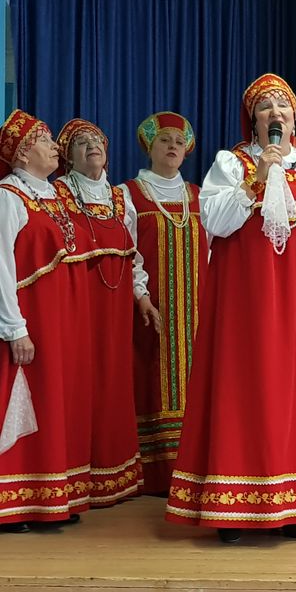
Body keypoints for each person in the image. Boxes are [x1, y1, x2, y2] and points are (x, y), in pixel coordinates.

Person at [165, 73, 296, 543]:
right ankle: (231, 507)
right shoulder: (231, 164)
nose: (275, 112)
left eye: (283, 106)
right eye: (265, 106)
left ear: (294, 119)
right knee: (244, 388)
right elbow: (215, 221)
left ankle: (293, 505)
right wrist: (257, 177)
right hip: (246, 303)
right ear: (253, 120)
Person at [0, 110, 95, 531]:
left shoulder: (54, 195)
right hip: (31, 318)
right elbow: (2, 266)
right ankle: (15, 503)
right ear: (23, 153)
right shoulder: (8, 197)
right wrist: (14, 328)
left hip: (62, 320)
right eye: (43, 140)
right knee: (24, 404)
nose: (54, 146)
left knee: (58, 403)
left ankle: (53, 497)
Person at [53, 119, 144, 506]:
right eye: (81, 142)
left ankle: (112, 477)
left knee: (113, 381)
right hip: (76, 305)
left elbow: (135, 256)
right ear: (68, 156)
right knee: (78, 382)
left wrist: (142, 297)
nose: (92, 146)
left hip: (116, 305)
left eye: (97, 141)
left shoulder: (120, 198)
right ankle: (73, 480)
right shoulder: (57, 193)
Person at [118, 112, 208, 495]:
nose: (172, 146)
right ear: (149, 147)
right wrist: (139, 296)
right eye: (164, 140)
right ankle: (154, 473)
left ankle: (193, 467)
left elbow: (213, 253)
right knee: (149, 378)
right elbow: (127, 252)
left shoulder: (200, 196)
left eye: (178, 142)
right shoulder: (129, 194)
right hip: (150, 308)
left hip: (198, 310)